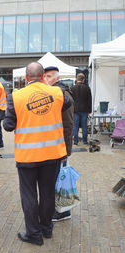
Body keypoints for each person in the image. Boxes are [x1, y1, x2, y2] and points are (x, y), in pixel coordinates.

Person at [3, 62, 71, 246]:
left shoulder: (15, 97)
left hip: (27, 156)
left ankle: (34, 234)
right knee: (48, 193)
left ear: (25, 78)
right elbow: (68, 103)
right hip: (52, 154)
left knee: (29, 195)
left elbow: (8, 126)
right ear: (43, 77)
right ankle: (46, 228)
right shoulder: (56, 93)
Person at [44, 66, 74, 222]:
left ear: (57, 78)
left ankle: (64, 211)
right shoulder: (52, 93)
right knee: (55, 180)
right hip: (54, 147)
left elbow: (68, 124)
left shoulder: (62, 94)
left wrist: (65, 151)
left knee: (60, 180)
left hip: (60, 148)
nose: (46, 79)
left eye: (49, 76)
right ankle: (59, 209)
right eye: (45, 76)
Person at [70, 73, 92, 145]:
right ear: (83, 80)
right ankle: (85, 141)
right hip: (85, 110)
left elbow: (70, 100)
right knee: (84, 126)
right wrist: (90, 110)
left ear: (77, 79)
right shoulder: (87, 88)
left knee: (75, 126)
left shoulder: (72, 88)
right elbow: (89, 100)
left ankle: (75, 142)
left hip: (75, 110)